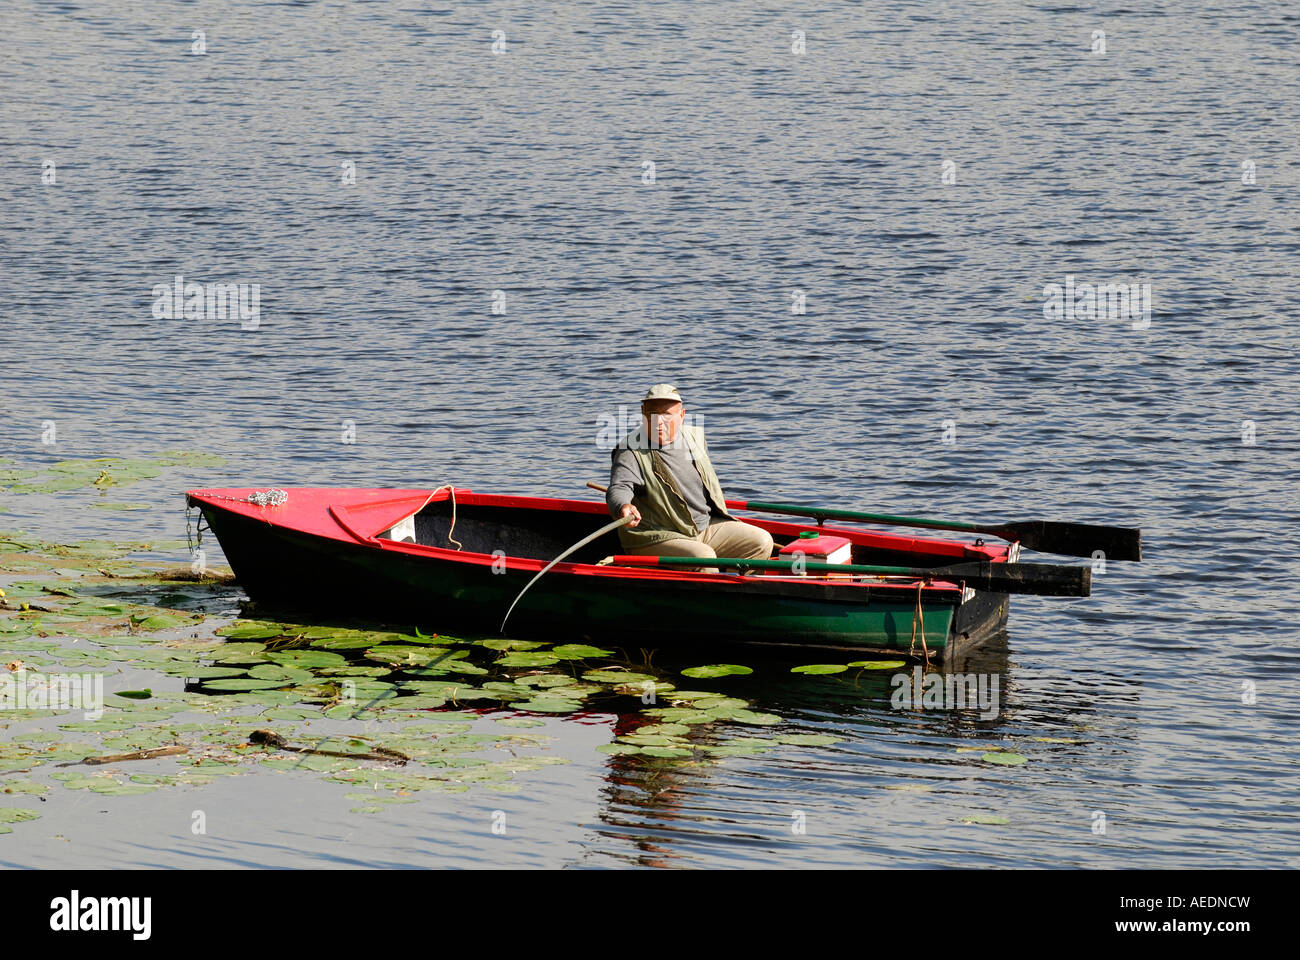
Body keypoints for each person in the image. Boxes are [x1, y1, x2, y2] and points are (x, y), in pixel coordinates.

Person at [606, 384, 773, 568]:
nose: (658, 421)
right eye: (652, 413)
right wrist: (623, 506)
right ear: (643, 413)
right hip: (657, 535)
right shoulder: (630, 450)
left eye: (666, 414)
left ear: (682, 415)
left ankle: (740, 592)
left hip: (703, 527)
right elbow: (619, 487)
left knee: (761, 541)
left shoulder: (695, 437)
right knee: (703, 556)